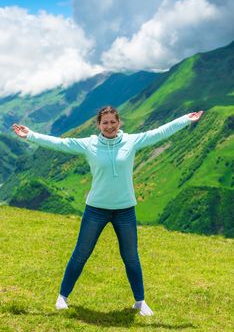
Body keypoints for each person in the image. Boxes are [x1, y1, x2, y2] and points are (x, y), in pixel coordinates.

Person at [12, 106, 204, 316]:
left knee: (131, 257)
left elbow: (158, 133)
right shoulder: (89, 145)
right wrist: (29, 135)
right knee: (81, 253)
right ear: (99, 125)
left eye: (113, 122)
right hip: (96, 209)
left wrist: (186, 119)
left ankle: (140, 302)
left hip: (125, 210)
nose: (110, 126)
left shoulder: (131, 141)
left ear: (118, 122)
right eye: (105, 123)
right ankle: (62, 297)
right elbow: (60, 143)